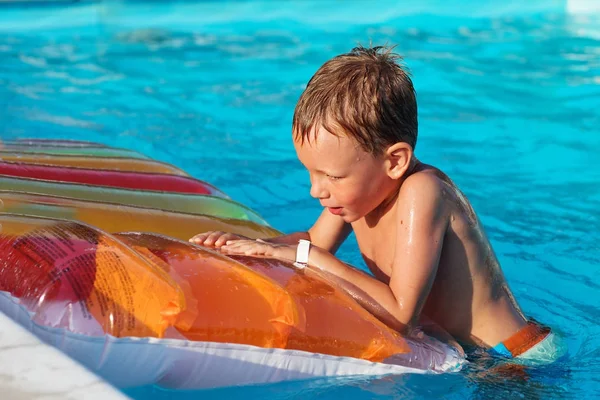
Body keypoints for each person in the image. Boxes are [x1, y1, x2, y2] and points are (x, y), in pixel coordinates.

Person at [190, 45, 561, 363]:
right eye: (311, 174)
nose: (316, 191)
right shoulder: (360, 195)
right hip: (463, 352)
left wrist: (303, 257)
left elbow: (401, 314)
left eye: (332, 177)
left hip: (513, 358)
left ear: (395, 161)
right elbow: (314, 242)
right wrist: (251, 248)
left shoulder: (423, 192)